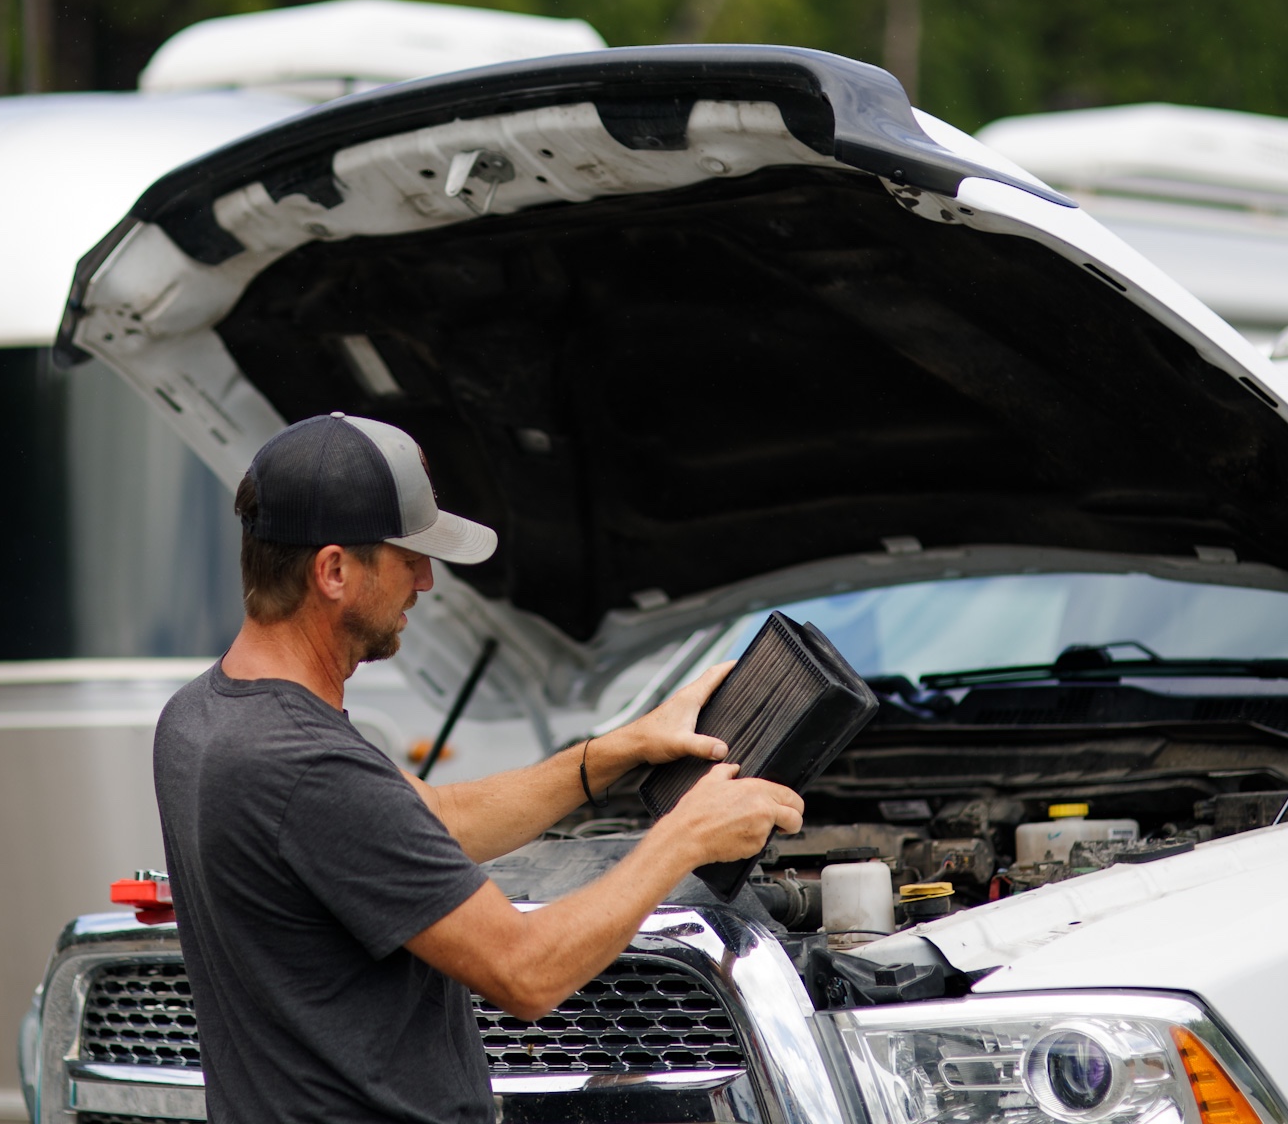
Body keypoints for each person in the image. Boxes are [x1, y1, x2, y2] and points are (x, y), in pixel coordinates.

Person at [152, 412, 806, 1124]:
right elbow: (526, 973)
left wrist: (617, 751)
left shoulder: (203, 716)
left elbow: (430, 823)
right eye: (410, 557)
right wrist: (685, 836)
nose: (427, 582)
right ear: (334, 571)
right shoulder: (304, 765)